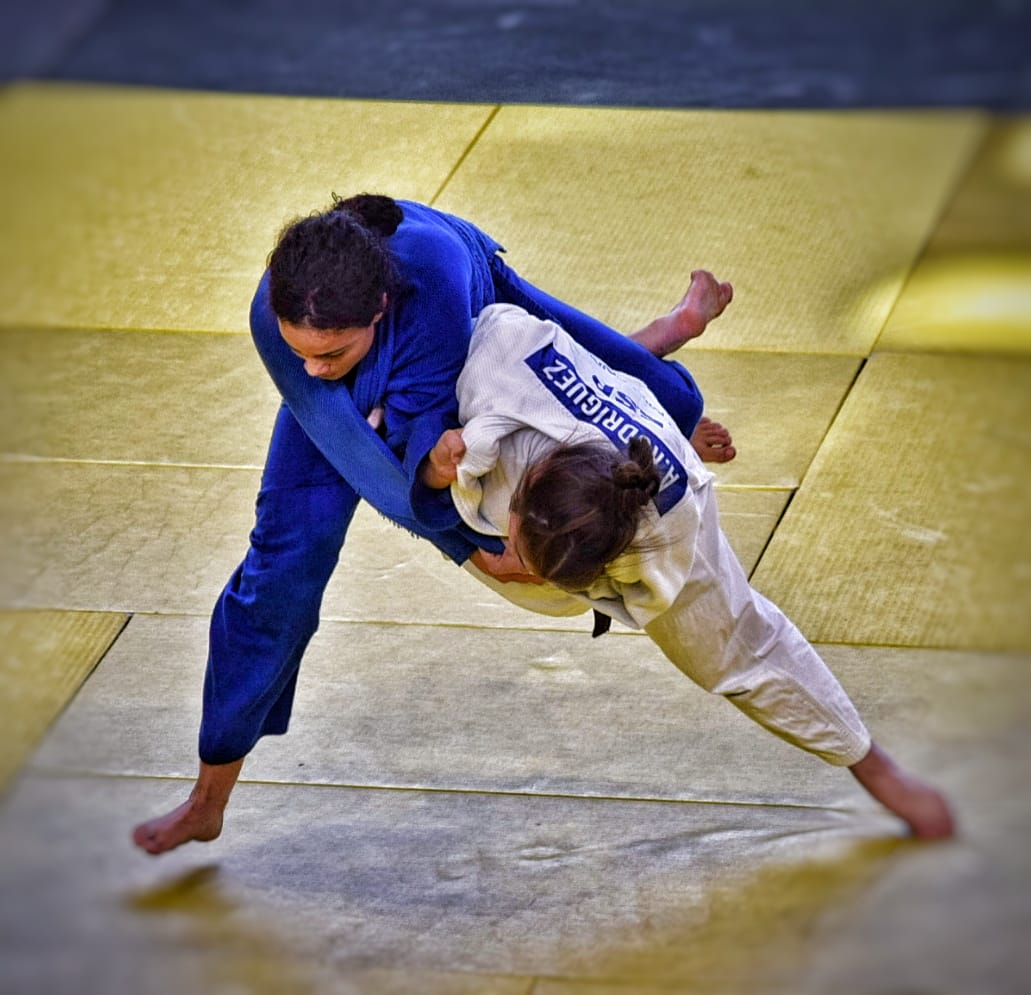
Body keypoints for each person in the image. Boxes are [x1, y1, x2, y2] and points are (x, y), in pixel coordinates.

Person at [132, 193, 736, 855]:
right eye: (299, 349)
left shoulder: (436, 283)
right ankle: (207, 801)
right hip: (347, 394)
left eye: (331, 352)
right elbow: (364, 459)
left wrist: (458, 502)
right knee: (282, 566)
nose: (311, 367)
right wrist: (468, 547)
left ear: (379, 308)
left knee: (634, 394)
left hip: (469, 289)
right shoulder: (278, 321)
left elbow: (431, 439)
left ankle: (668, 342)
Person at [417, 302, 955, 839]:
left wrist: (504, 545)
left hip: (656, 490)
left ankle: (874, 765)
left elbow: (753, 650)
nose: (511, 540)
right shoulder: (503, 367)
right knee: (632, 394)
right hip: (584, 414)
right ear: (535, 478)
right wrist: (436, 469)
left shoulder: (668, 540)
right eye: (517, 525)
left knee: (733, 653)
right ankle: (670, 384)